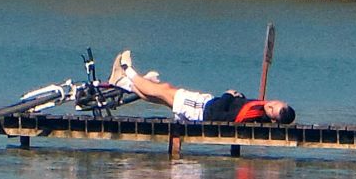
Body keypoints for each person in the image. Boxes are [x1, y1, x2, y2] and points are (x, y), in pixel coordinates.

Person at [108, 51, 295, 125]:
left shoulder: (251, 115)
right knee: (160, 94)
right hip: (203, 106)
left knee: (162, 90)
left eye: (272, 110)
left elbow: (221, 116)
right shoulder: (258, 111)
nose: (270, 105)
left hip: (202, 109)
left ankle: (126, 71)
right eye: (275, 104)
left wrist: (228, 95)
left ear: (273, 118)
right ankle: (127, 84)